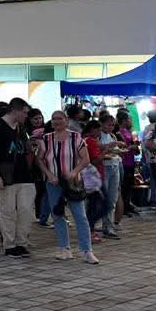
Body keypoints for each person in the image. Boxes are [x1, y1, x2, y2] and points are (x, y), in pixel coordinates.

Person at [34, 110, 97, 264]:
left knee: (80, 216)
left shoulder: (76, 137)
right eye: (53, 119)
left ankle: (87, 250)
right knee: (58, 214)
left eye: (59, 118)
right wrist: (49, 175)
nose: (56, 121)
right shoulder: (46, 139)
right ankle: (64, 248)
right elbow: (39, 160)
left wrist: (75, 171)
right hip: (53, 183)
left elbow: (86, 159)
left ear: (66, 120)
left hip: (73, 183)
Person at [0, 98, 35, 257]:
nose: (26, 116)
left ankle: (22, 242)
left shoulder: (21, 127)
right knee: (7, 211)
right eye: (25, 112)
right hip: (6, 174)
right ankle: (10, 245)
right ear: (15, 110)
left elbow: (25, 147)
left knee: (25, 210)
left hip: (25, 175)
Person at [98, 112, 124, 240]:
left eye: (113, 125)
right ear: (101, 124)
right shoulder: (98, 136)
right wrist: (111, 147)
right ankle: (105, 225)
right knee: (105, 197)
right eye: (109, 125)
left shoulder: (112, 135)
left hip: (115, 165)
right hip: (104, 167)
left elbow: (115, 152)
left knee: (113, 197)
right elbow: (97, 149)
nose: (111, 128)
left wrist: (118, 150)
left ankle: (108, 225)